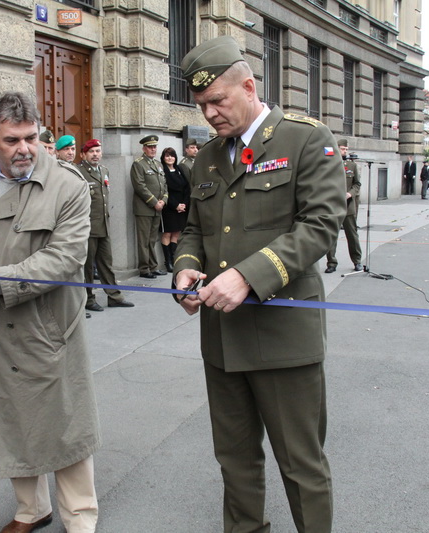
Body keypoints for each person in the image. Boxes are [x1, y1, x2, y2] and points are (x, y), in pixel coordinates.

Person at [175, 37, 345, 533]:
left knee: (301, 466)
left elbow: (320, 225)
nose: (208, 114)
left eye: (217, 102)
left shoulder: (305, 139)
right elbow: (194, 231)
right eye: (201, 105)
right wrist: (185, 268)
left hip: (283, 338)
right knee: (235, 461)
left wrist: (249, 276)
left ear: (248, 87)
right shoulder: (207, 158)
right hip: (222, 340)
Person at [0, 91, 101, 533]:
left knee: (63, 423)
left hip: (45, 326)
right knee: (7, 418)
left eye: (31, 137)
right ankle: (30, 510)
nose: (24, 149)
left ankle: (80, 517)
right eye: (12, 140)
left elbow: (64, 258)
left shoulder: (67, 184)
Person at [77, 138, 135, 312]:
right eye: (92, 152)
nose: (95, 155)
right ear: (84, 154)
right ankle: (88, 299)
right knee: (88, 267)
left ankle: (114, 296)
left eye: (98, 151)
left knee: (106, 263)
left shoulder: (104, 170)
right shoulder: (78, 172)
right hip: (87, 227)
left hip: (103, 225)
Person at [130, 135, 168, 278]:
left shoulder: (158, 164)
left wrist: (163, 200)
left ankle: (153, 266)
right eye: (150, 147)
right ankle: (144, 268)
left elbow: (164, 185)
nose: (153, 149)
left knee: (152, 239)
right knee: (144, 240)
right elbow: (139, 186)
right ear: (144, 148)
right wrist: (154, 202)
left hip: (157, 208)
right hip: (145, 209)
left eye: (154, 147)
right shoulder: (139, 164)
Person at [324, 139, 362, 273]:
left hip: (348, 205)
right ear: (336, 148)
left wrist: (350, 194)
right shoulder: (329, 164)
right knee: (332, 235)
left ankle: (357, 261)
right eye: (342, 149)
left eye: (346, 149)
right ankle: (331, 262)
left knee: (352, 234)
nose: (345, 151)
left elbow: (357, 184)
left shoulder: (351, 166)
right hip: (333, 205)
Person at [160, 146, 190, 272]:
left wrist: (184, 204)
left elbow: (187, 187)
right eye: (167, 156)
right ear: (163, 158)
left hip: (181, 207)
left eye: (172, 155)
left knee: (177, 233)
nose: (170, 158)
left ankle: (174, 258)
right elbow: (165, 190)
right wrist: (175, 205)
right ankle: (168, 262)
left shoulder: (179, 169)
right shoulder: (162, 171)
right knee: (168, 233)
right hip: (169, 207)